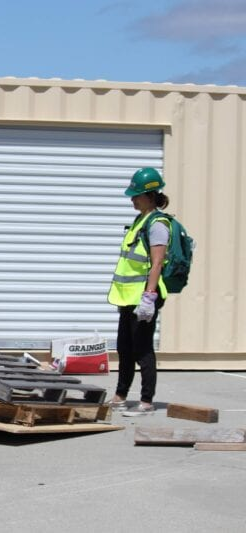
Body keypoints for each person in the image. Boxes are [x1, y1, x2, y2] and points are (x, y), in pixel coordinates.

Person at [107, 167, 171, 417]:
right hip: (128, 297)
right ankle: (120, 395)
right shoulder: (140, 220)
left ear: (150, 195)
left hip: (144, 297)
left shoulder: (157, 224)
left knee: (143, 350)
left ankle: (146, 402)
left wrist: (149, 297)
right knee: (125, 348)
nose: (132, 199)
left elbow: (156, 262)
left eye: (136, 195)